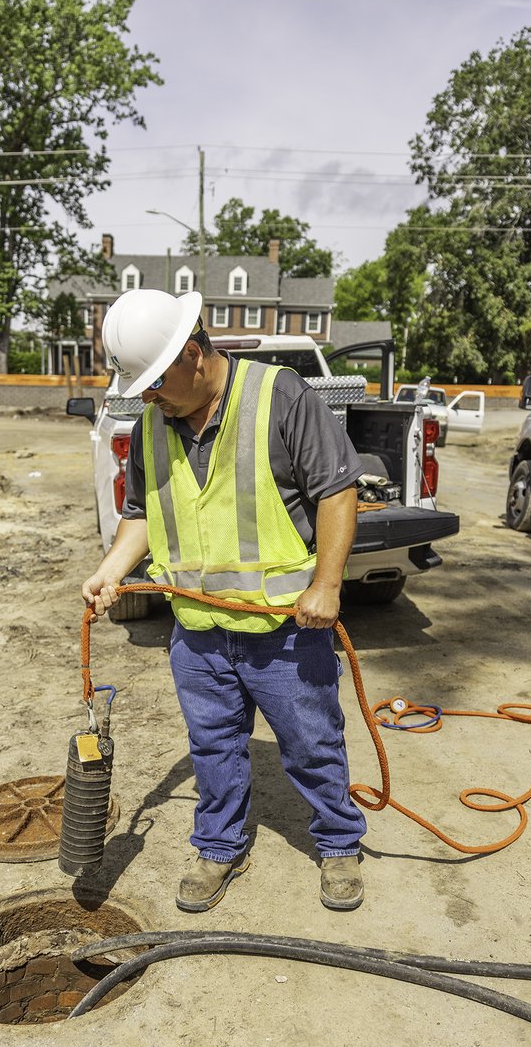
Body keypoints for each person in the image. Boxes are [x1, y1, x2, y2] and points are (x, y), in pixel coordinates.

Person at [81, 289, 367, 912]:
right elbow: (142, 515)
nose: (149, 395)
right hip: (198, 629)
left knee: (311, 740)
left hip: (283, 628)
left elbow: (337, 491)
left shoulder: (281, 396)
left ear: (192, 353)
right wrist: (110, 570)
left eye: (156, 381)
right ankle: (218, 847)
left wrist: (327, 584)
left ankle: (340, 843)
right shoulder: (152, 425)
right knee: (212, 745)